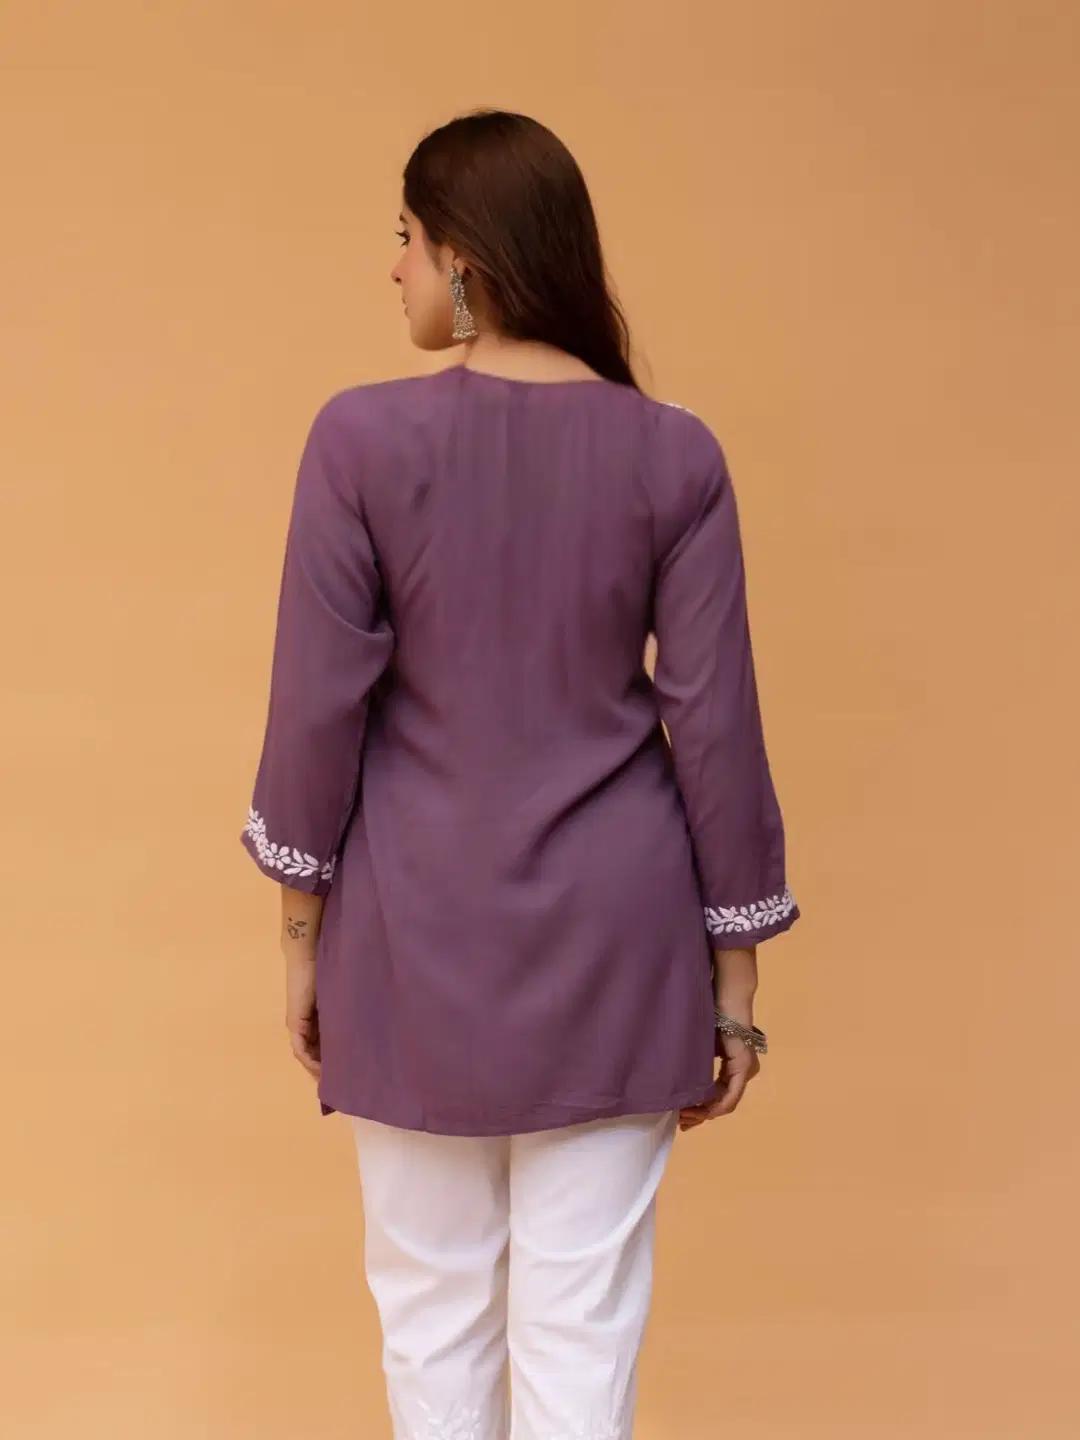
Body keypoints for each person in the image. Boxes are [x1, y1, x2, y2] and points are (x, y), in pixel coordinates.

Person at [240, 109, 799, 1440]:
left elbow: (316, 714)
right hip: (618, 946)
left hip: (410, 941)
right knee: (583, 1333)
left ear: (466, 259)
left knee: (430, 1318)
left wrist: (300, 941)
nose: (394, 268)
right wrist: (735, 988)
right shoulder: (674, 453)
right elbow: (716, 728)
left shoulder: (359, 441)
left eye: (405, 239)